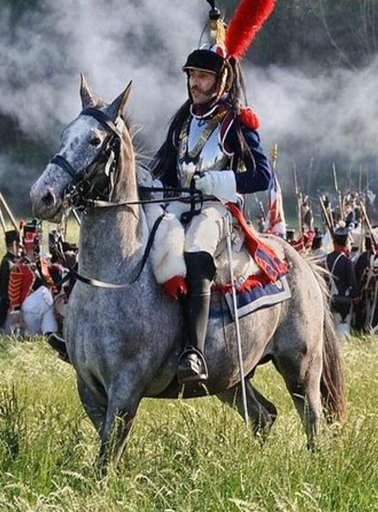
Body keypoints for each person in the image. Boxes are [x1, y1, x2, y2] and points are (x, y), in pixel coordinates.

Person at [148, 1, 278, 383]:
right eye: (192, 75)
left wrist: (219, 183)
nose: (195, 83)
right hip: (178, 206)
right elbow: (165, 169)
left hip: (217, 212)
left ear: (220, 80)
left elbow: (263, 177)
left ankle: (193, 351)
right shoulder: (182, 120)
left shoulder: (236, 122)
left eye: (203, 76)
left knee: (195, 250)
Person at [6, 229, 58, 338]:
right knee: (44, 294)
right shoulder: (19, 267)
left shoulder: (42, 264)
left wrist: (57, 295)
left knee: (49, 303)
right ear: (31, 248)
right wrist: (16, 311)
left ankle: (51, 335)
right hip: (28, 306)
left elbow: (49, 282)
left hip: (44, 305)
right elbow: (13, 290)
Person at [326, 227, 358, 339]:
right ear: (346, 245)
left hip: (328, 298)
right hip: (342, 300)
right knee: (342, 330)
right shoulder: (346, 261)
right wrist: (356, 297)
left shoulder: (327, 258)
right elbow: (352, 282)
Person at [0, 228, 21, 330]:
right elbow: (5, 285)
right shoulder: (7, 262)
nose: (19, 248)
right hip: (6, 303)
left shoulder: (13, 260)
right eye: (18, 246)